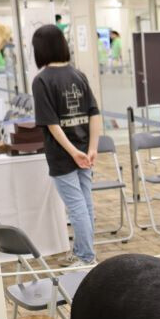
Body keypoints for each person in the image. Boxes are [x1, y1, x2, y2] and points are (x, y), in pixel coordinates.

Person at [31, 24, 102, 267]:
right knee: (85, 203)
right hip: (84, 151)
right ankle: (85, 251)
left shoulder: (42, 81)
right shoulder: (78, 75)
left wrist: (73, 153)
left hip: (64, 156)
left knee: (76, 206)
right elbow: (94, 113)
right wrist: (91, 148)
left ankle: (85, 256)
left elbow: (52, 124)